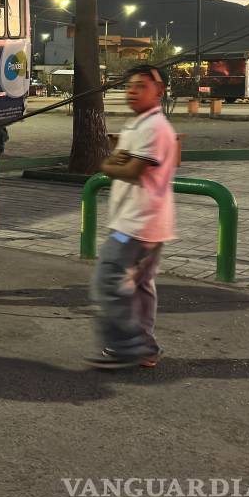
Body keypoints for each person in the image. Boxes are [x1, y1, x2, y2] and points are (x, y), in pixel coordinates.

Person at [87, 65, 176, 369]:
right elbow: (117, 162)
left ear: (159, 91)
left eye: (141, 86)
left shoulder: (154, 128)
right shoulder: (139, 124)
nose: (132, 91)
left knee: (109, 279)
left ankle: (127, 347)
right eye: (129, 86)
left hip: (136, 224)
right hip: (146, 222)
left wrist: (110, 165)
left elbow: (129, 169)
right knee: (140, 287)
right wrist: (115, 163)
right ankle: (145, 348)